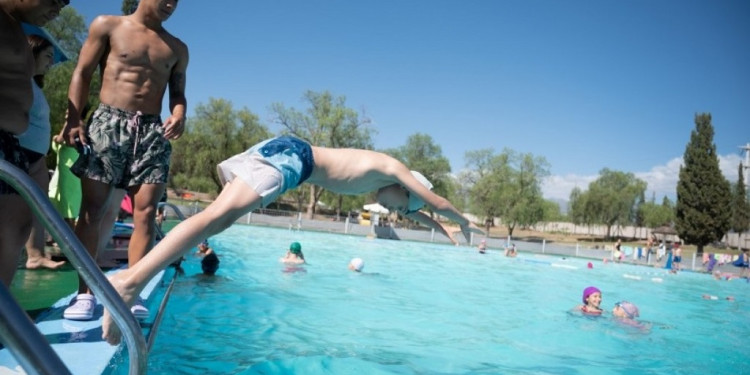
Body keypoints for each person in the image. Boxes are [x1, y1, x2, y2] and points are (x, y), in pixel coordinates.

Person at [101, 135, 483, 344]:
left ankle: (132, 279)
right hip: (294, 159)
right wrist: (461, 219)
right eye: (402, 207)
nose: (398, 213)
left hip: (288, 156)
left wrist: (446, 230)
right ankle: (130, 281)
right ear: (403, 187)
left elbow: (422, 211)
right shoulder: (391, 167)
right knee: (212, 218)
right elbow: (436, 202)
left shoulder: (389, 185)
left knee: (216, 224)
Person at [60, 0, 189, 320]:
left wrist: (180, 113)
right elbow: (82, 72)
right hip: (108, 125)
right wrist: (74, 118)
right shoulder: (108, 25)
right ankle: (84, 294)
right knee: (92, 211)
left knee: (145, 213)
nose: (171, 4)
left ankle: (132, 290)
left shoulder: (177, 48)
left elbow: (177, 93)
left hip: (150, 131)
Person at [0, 0, 68, 287]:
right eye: (55, 0)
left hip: (11, 142)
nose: (58, 9)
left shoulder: (13, 26)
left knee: (15, 228)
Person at [16, 34, 65, 270]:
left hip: (36, 157)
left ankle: (35, 255)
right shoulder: (17, 80)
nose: (51, 62)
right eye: (47, 56)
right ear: (31, 52)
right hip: (19, 154)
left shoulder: (35, 84)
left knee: (37, 208)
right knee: (16, 212)